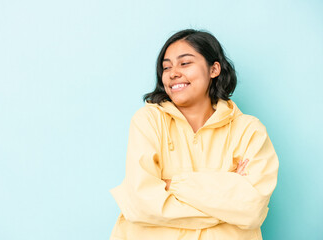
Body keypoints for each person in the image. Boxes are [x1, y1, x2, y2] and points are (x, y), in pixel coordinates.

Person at [110, 29, 279, 240]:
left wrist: (173, 184)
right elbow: (140, 203)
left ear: (214, 69)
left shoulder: (249, 131)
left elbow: (251, 208)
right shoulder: (149, 120)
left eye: (185, 63)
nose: (173, 73)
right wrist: (225, 205)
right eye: (166, 67)